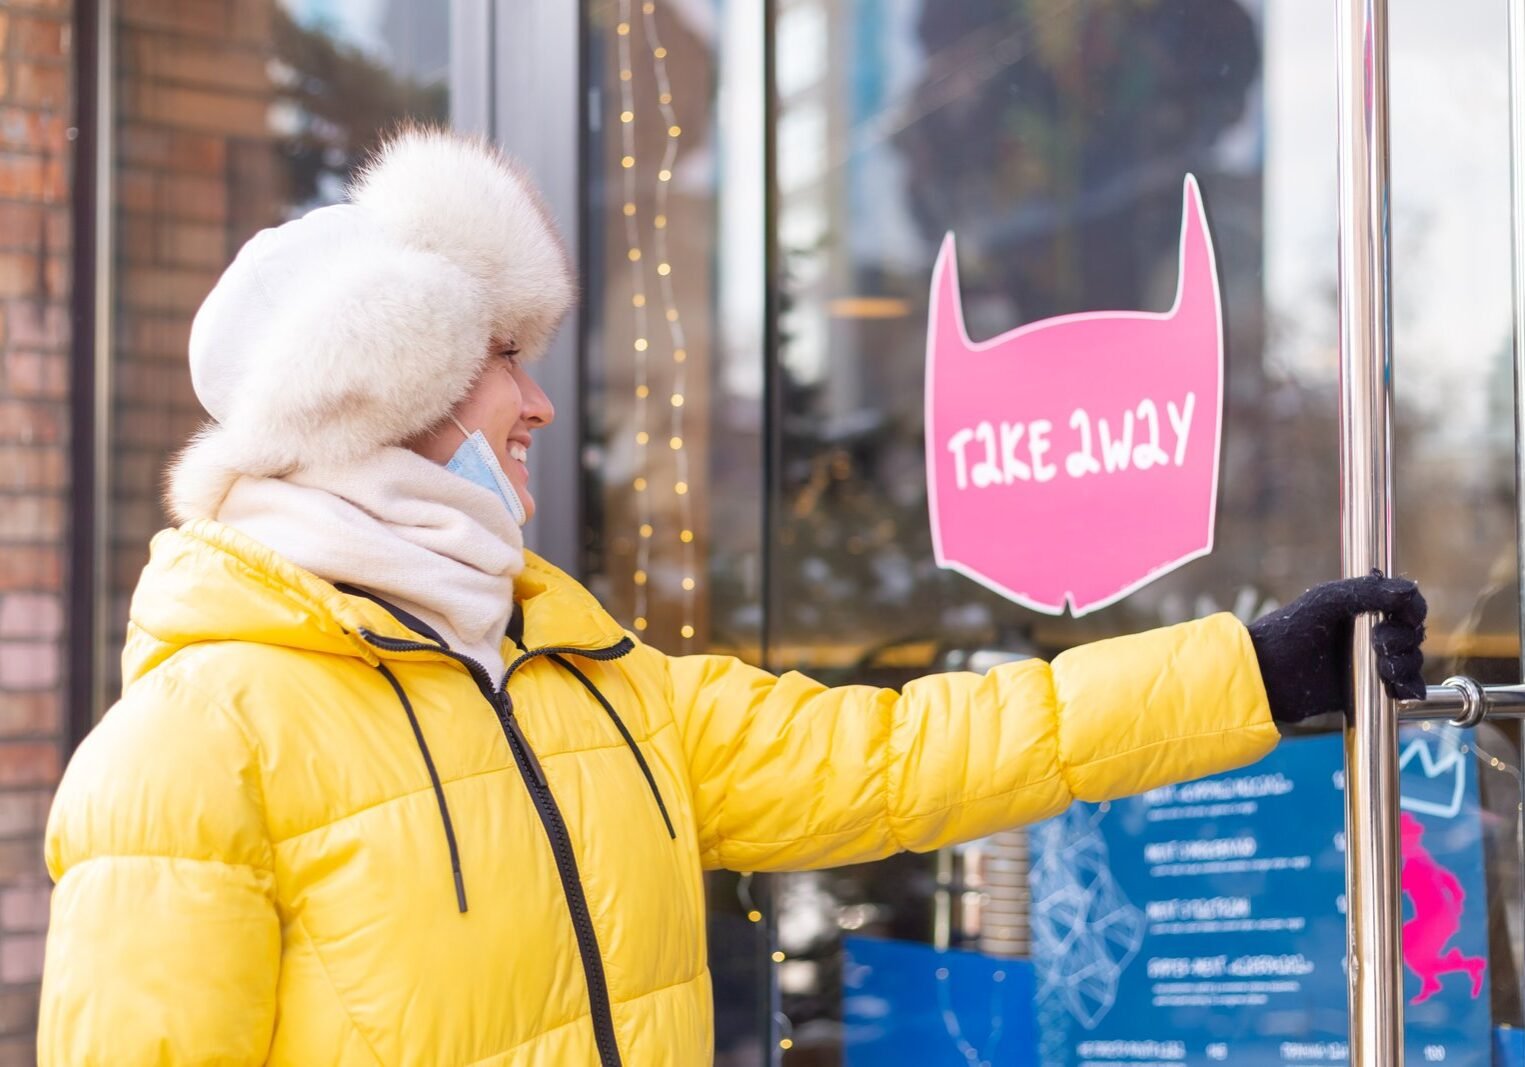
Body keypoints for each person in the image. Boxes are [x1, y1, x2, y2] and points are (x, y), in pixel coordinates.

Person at [38, 127, 1427, 1066]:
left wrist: (1249, 676)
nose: (533, 402)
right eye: (496, 360)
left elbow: (896, 760)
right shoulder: (192, 748)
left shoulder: (594, 677)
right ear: (375, 392)